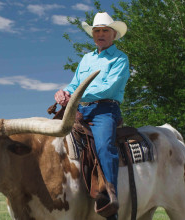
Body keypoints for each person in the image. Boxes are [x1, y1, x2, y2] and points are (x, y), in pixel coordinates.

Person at [54, 12, 130, 219]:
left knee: (104, 145)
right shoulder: (87, 58)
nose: (100, 34)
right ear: (93, 35)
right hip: (80, 108)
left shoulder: (120, 59)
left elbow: (108, 88)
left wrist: (75, 96)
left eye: (105, 30)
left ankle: (109, 199)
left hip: (105, 110)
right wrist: (64, 92)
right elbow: (74, 83)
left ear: (114, 34)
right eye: (97, 31)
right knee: (52, 138)